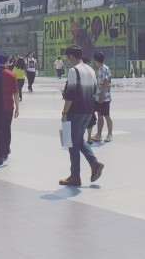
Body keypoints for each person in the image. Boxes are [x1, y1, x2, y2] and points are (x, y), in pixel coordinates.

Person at [59, 45, 104, 186]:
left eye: (68, 57)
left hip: (76, 111)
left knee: (72, 143)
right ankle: (94, 164)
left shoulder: (74, 71)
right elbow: (95, 91)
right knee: (78, 139)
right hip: (88, 111)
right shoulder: (91, 70)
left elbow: (70, 96)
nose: (68, 60)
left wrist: (64, 113)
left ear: (71, 56)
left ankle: (75, 176)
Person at [92, 51, 113, 142]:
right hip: (101, 96)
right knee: (100, 115)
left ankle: (110, 134)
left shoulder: (103, 69)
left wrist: (101, 96)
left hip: (104, 97)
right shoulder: (103, 68)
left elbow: (105, 82)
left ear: (96, 60)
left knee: (106, 115)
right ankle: (99, 134)